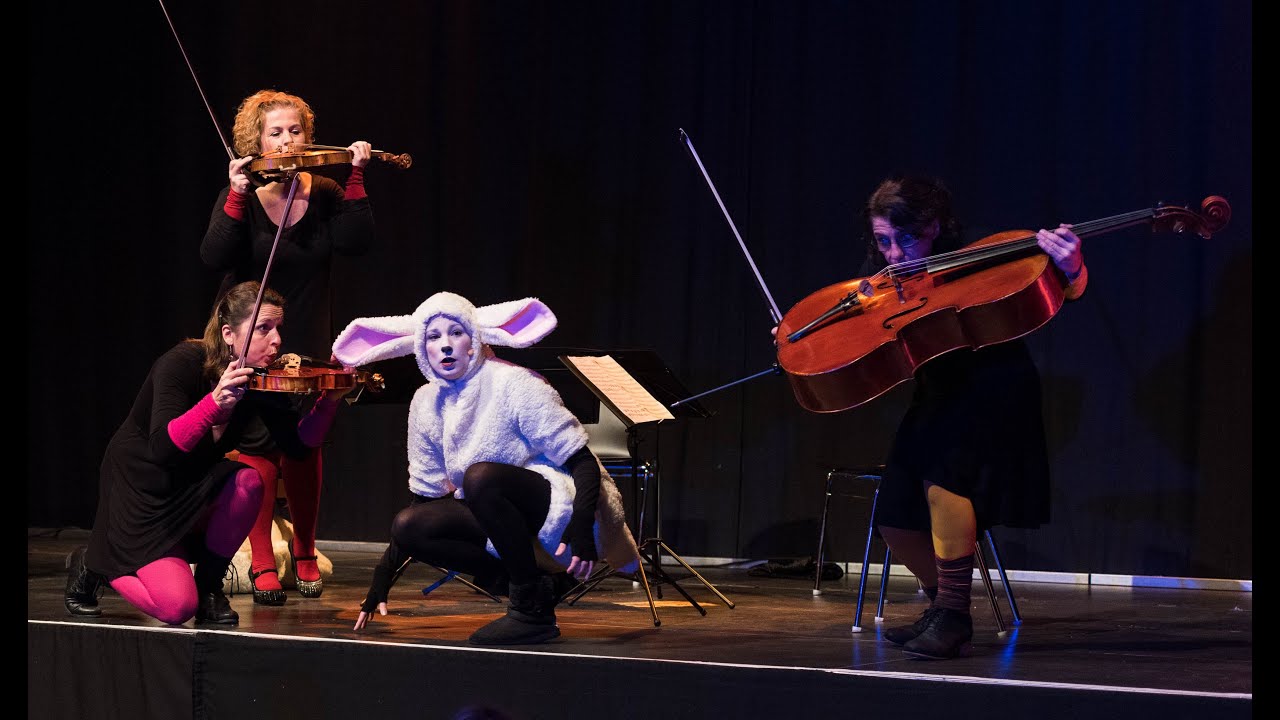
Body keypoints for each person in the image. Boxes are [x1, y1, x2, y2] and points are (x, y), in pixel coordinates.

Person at [857, 174, 1087, 659]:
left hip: (991, 390)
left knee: (947, 479)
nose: (894, 254)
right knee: (895, 516)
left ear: (935, 226)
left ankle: (955, 615)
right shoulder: (887, 274)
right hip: (937, 392)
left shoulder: (980, 256)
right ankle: (944, 606)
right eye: (883, 242)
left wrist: (1072, 268)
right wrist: (804, 333)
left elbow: (1060, 289)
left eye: (906, 239)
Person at [331, 291, 640, 646]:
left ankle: (528, 611)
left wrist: (582, 525)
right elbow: (424, 499)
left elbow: (582, 460)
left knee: (480, 477)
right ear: (420, 347)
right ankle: (538, 593)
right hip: (501, 520)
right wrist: (382, 577)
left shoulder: (513, 383)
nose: (445, 346)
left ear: (475, 340)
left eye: (456, 333)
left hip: (562, 511)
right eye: (434, 337)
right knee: (410, 525)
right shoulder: (425, 402)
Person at [63, 281, 353, 625]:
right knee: (176, 608)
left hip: (193, 482)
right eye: (264, 328)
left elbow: (298, 449)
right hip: (144, 486)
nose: (276, 340)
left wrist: (328, 402)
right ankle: (96, 563)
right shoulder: (182, 363)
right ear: (229, 333)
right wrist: (213, 404)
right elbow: (163, 447)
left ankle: (209, 587)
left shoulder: (261, 382)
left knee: (248, 482)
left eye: (278, 328)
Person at [200, 88, 375, 606]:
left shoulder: (321, 189)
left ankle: (303, 547)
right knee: (255, 446)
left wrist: (356, 176)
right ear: (255, 139)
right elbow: (216, 255)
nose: (287, 139)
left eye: (295, 130)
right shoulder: (245, 190)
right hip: (252, 341)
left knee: (304, 447)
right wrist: (234, 192)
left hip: (309, 337)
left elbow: (357, 243)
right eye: (275, 131)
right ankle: (259, 559)